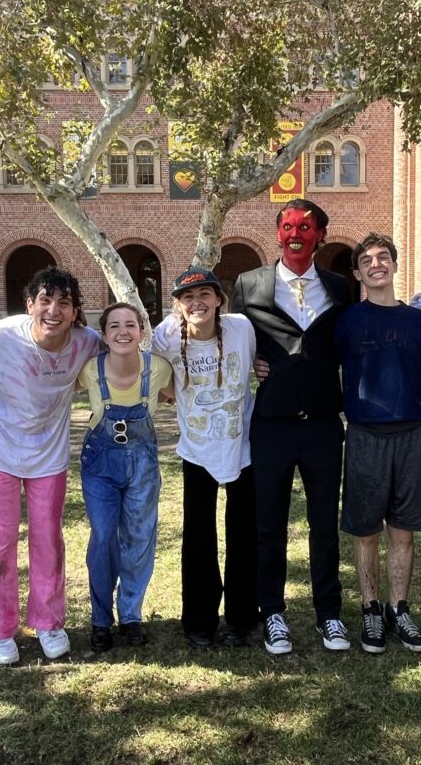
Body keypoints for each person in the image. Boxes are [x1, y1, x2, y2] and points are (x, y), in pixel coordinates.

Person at [231, 198, 352, 655]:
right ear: (277, 232)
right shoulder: (248, 284)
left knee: (324, 522)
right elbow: (231, 341)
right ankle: (273, 613)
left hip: (323, 423)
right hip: (272, 425)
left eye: (305, 227)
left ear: (320, 234)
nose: (295, 234)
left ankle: (329, 614)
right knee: (269, 524)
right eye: (287, 226)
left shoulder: (340, 288)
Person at [0, 266, 101, 665]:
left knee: (48, 537)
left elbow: (120, 360)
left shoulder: (86, 343)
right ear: (29, 305)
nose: (53, 311)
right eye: (45, 300)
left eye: (64, 303)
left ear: (76, 311)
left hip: (49, 456)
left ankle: (48, 621)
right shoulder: (0, 337)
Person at [151, 267, 259, 648]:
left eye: (204, 295)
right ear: (178, 306)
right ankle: (199, 620)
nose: (197, 303)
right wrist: (165, 392)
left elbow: (265, 359)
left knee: (244, 535)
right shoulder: (165, 337)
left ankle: (242, 618)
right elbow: (145, 366)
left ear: (218, 299)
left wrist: (264, 368)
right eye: (187, 298)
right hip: (196, 451)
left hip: (242, 448)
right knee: (199, 537)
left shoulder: (241, 328)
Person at [335, 234, 421, 654]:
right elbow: (316, 364)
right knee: (366, 531)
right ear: (357, 273)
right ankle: (371, 609)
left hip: (412, 433)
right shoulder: (347, 321)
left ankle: (399, 608)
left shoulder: (419, 321)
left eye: (383, 258)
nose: (376, 264)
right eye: (367, 260)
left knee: (404, 530)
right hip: (365, 435)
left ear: (394, 265)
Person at [78, 302, 173, 652]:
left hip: (142, 463)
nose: (122, 332)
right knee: (103, 537)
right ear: (103, 335)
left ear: (142, 332)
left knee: (139, 537)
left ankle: (131, 614)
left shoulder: (159, 368)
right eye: (114, 326)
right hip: (99, 461)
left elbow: (183, 393)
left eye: (130, 325)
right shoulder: (89, 369)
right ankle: (100, 620)